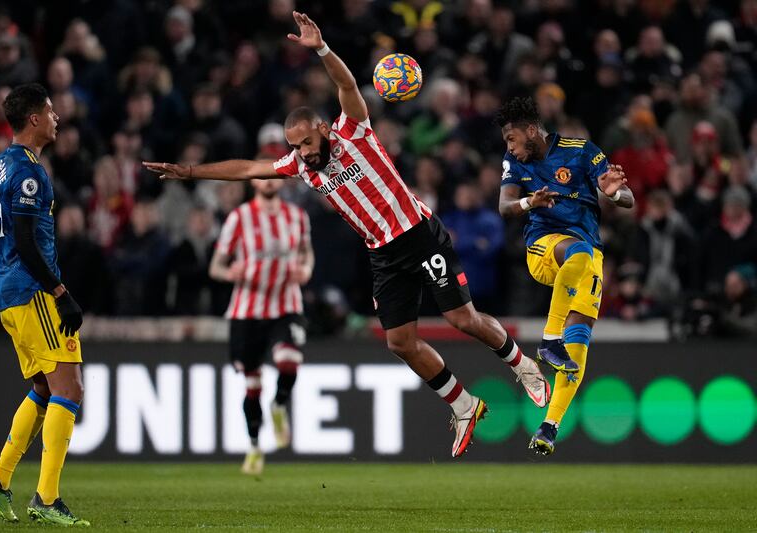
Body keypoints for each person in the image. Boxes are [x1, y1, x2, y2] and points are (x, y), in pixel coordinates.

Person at [145, 11, 550, 458]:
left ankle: (523, 365)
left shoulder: (352, 131)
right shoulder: (300, 166)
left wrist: (320, 49)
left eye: (304, 143)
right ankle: (463, 404)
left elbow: (346, 87)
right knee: (400, 342)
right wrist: (188, 171)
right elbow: (247, 168)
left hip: (417, 234)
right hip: (382, 254)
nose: (300, 154)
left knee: (461, 319)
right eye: (294, 147)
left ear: (321, 129)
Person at [496, 96, 634, 456]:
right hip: (544, 248)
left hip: (588, 260)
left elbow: (628, 198)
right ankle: (549, 339)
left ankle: (549, 426)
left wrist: (614, 193)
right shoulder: (513, 162)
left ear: (530, 131)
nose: (508, 147)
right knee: (577, 251)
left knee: (578, 346)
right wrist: (530, 202)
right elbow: (505, 206)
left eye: (511, 138)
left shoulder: (580, 150)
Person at [0, 84, 89, 526]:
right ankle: (46, 498)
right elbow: (25, 241)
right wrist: (61, 294)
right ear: (34, 119)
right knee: (69, 388)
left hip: (8, 290)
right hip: (32, 290)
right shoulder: (28, 173)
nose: (57, 116)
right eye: (50, 110)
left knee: (44, 389)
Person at [209, 175, 313, 475]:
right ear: (253, 181)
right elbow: (216, 266)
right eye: (262, 176)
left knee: (290, 360)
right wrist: (231, 273)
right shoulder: (239, 217)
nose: (268, 181)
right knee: (252, 383)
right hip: (248, 311)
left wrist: (305, 269)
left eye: (273, 175)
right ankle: (254, 446)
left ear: (281, 181)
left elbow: (307, 253)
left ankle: (279, 405)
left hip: (286, 304)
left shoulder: (297, 216)